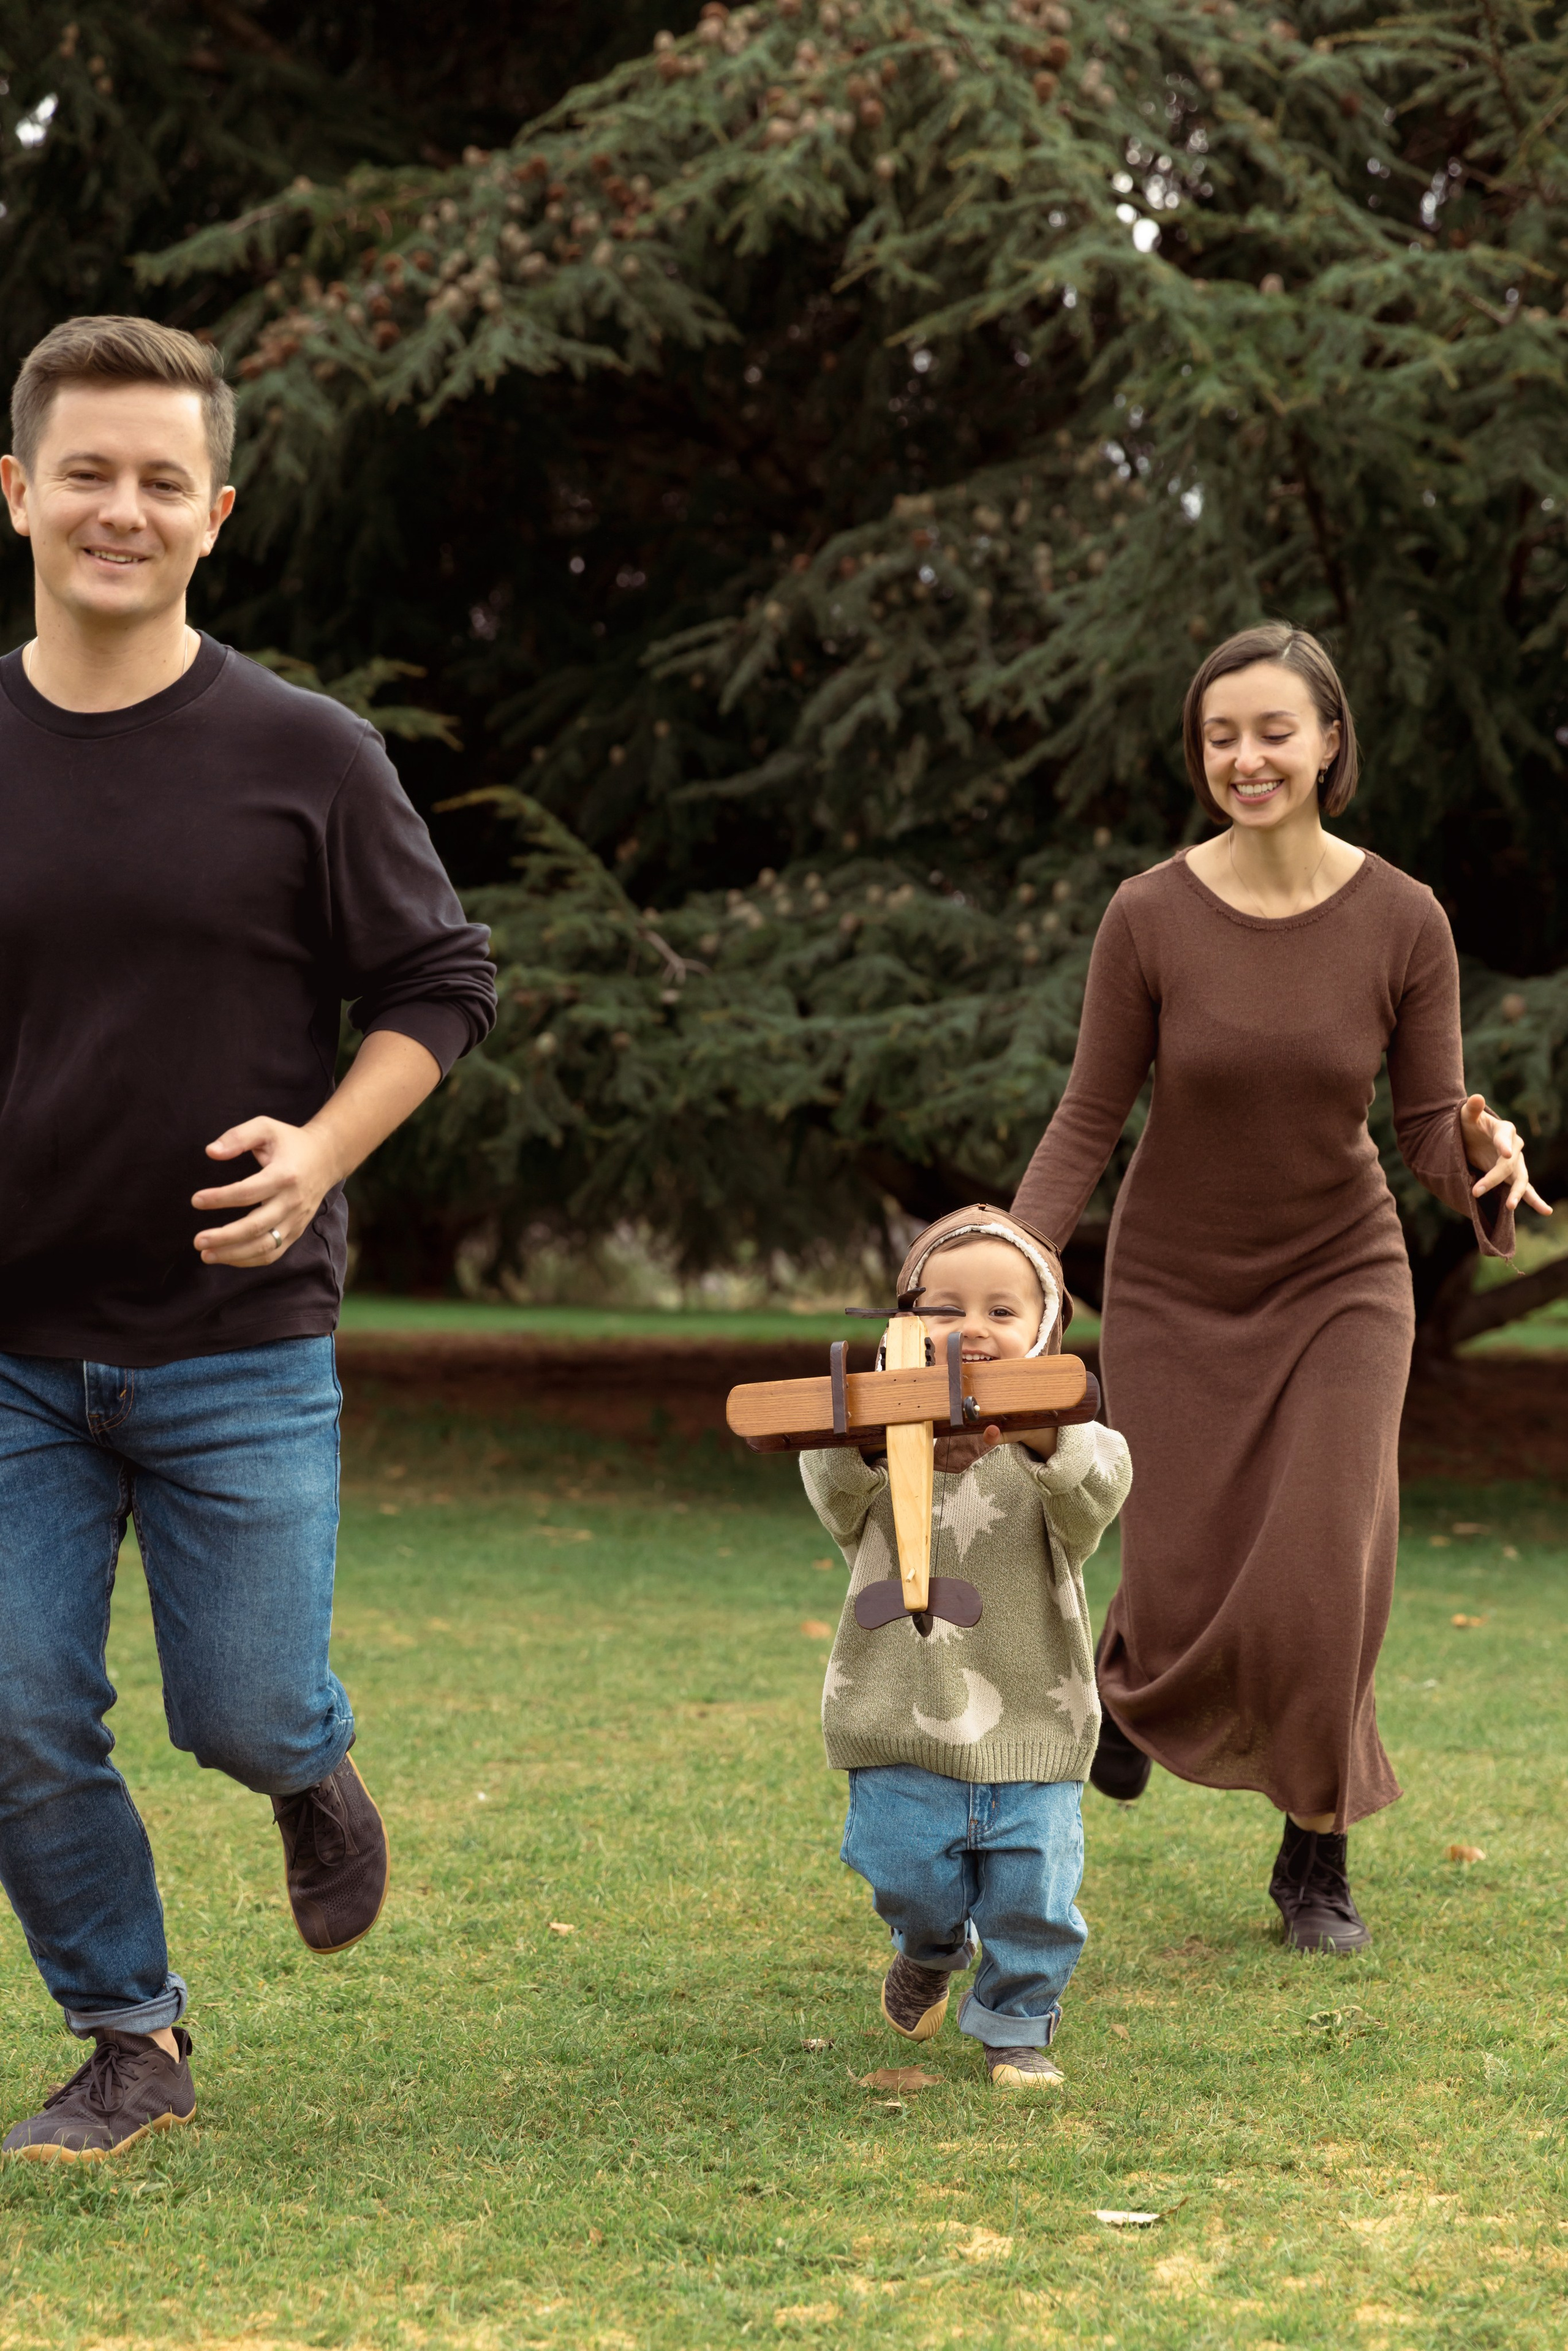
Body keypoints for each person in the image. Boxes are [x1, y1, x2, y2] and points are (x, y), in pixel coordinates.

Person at [0, 316, 497, 2160]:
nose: (116, 508)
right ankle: (129, 2030)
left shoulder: (307, 751)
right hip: (11, 1347)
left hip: (239, 1336)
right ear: (17, 493)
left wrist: (324, 1144)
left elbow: (442, 978)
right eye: (84, 472)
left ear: (214, 512)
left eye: (158, 480)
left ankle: (303, 1757)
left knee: (238, 1700)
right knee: (16, 1709)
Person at [1012, 622, 1550, 1953]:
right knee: (1180, 1560)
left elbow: (1424, 1122)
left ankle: (1314, 1853)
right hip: (1177, 1280)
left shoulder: (1400, 916)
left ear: (1326, 744)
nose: (1245, 757)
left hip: (1339, 1278)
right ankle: (1131, 1698)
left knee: (1321, 1569)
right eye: (1219, 736)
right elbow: (1090, 1112)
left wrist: (1481, 1155)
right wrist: (1016, 1259)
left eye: (1271, 731)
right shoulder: (1147, 912)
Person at [802, 1207, 1131, 2089]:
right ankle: (930, 1943)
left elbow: (1098, 1491)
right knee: (904, 1871)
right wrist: (870, 1423)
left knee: (1036, 1898)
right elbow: (832, 1486)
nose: (973, 1328)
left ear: (1047, 1332)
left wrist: (1038, 1430)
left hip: (1034, 1719)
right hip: (900, 1714)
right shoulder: (868, 1441)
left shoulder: (1063, 1445)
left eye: (1001, 1311)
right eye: (944, 1310)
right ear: (903, 1331)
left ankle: (1017, 2024)